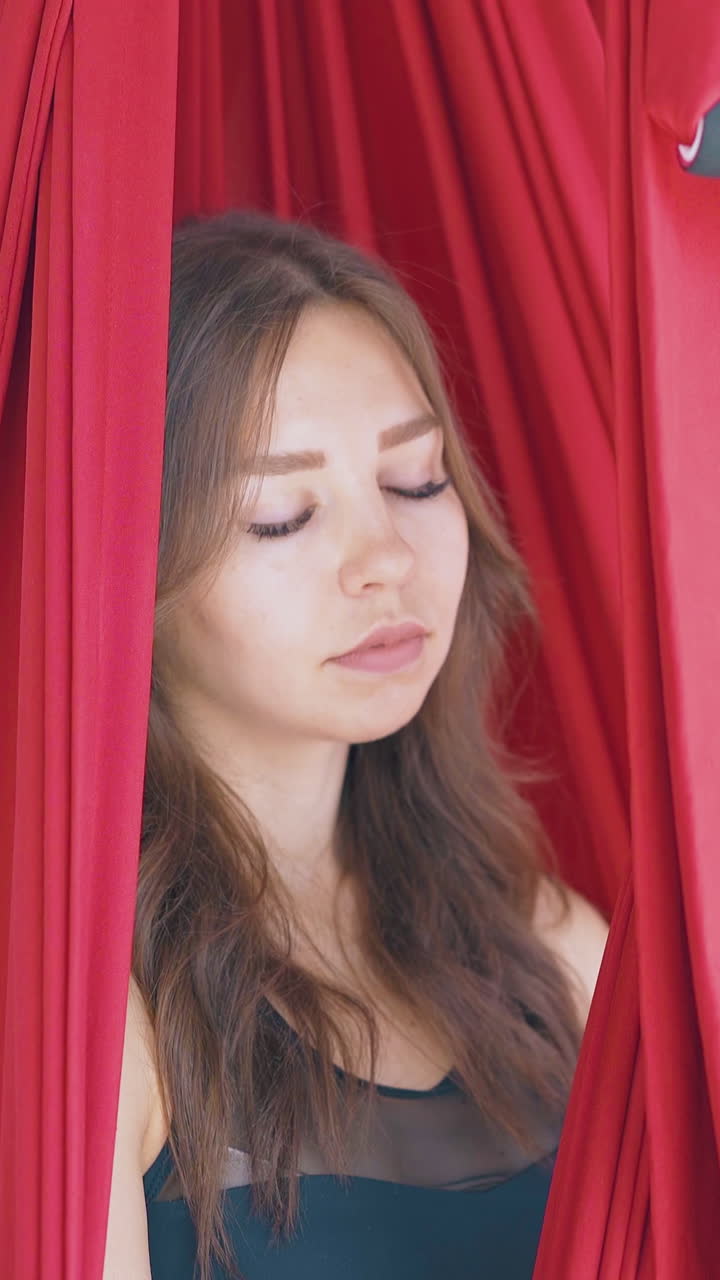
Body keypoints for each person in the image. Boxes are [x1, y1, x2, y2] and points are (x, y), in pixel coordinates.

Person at [103, 209, 609, 1280]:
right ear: (128, 574)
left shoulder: (557, 951)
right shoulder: (102, 1017)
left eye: (419, 479)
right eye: (282, 515)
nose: (385, 556)